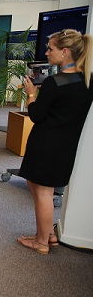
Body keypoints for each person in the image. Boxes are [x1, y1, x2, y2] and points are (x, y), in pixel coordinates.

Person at [17, 29, 93, 255]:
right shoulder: (86, 80)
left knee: (42, 192)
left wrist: (31, 94)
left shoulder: (54, 82)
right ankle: (48, 234)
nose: (47, 52)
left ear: (65, 51)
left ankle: (41, 242)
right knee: (38, 187)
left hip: (46, 144)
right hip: (64, 146)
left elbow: (37, 115)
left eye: (51, 48)